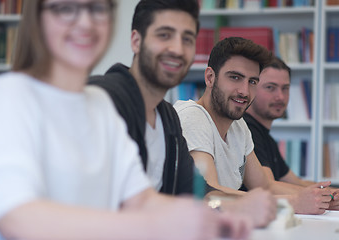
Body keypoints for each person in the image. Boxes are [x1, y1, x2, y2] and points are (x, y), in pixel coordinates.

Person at [0, 1, 251, 240]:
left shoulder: (100, 107)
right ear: (39, 19)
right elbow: (18, 217)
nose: (85, 22)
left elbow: (141, 199)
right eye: (65, 8)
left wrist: (214, 218)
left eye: (98, 9)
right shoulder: (9, 95)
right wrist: (154, 226)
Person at [89, 0, 276, 228]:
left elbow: (198, 192)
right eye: (164, 35)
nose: (177, 49)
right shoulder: (102, 99)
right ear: (136, 41)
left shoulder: (168, 118)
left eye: (187, 39)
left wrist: (238, 206)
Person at [174, 36, 334, 215]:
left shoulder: (238, 126)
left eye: (252, 82)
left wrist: (324, 197)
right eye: (235, 77)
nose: (244, 91)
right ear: (210, 77)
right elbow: (210, 192)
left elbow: (265, 186)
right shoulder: (192, 116)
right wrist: (294, 202)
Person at [243, 56, 339, 210]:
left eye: (285, 88)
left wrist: (333, 192)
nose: (280, 96)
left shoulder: (266, 137)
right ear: (252, 87)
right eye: (270, 87)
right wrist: (325, 196)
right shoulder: (246, 129)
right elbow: (268, 186)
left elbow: (295, 182)